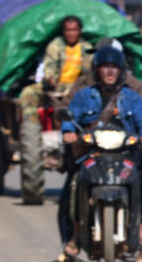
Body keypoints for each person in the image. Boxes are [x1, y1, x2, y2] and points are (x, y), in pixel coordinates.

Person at [47, 47, 142, 262]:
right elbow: (70, 115)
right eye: (104, 67)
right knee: (74, 185)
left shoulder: (133, 94)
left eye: (114, 67)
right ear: (97, 69)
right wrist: (68, 131)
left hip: (125, 152)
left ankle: (140, 231)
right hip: (93, 152)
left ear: (121, 70)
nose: (109, 71)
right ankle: (74, 236)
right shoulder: (83, 92)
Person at [18, 16, 93, 160]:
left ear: (80, 31)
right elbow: (50, 67)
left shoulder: (87, 48)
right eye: (68, 30)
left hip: (78, 88)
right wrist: (51, 79)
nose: (71, 34)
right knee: (28, 93)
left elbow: (90, 73)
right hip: (56, 87)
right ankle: (32, 130)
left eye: (74, 30)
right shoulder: (55, 45)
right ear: (64, 32)